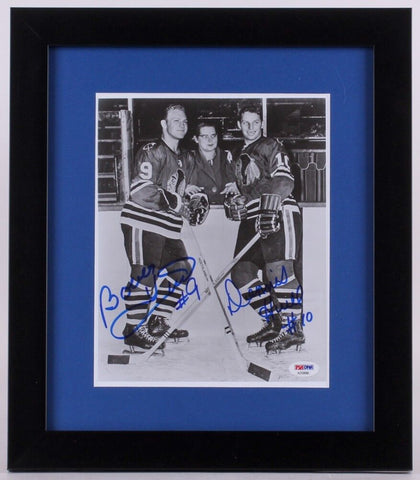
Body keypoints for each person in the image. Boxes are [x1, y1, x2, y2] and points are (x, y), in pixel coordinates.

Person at [119, 104, 209, 352]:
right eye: (176, 120)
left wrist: (191, 198)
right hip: (142, 221)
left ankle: (157, 322)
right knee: (144, 274)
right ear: (163, 124)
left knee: (181, 270)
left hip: (167, 226)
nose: (182, 124)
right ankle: (133, 331)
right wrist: (178, 202)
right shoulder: (152, 150)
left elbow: (178, 189)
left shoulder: (185, 158)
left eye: (185, 121)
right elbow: (141, 191)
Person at [223, 104, 304, 354]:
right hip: (252, 216)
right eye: (246, 123)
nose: (251, 127)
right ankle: (274, 321)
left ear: (261, 123)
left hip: (277, 210)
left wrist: (270, 207)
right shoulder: (237, 153)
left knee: (278, 270)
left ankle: (293, 330)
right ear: (239, 125)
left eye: (255, 122)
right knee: (241, 273)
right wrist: (236, 200)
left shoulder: (271, 145)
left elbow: (284, 179)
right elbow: (247, 188)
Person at [184, 121, 235, 204]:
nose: (210, 140)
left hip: (224, 208)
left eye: (213, 136)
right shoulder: (187, 159)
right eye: (205, 136)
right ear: (196, 139)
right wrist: (184, 188)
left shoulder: (228, 157)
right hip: (198, 209)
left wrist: (237, 186)